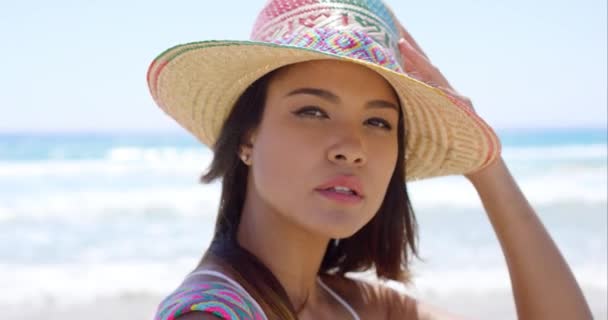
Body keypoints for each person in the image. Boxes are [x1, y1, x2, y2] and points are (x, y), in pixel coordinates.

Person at [148, 0, 592, 319]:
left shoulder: (358, 306)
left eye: (378, 123)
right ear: (247, 137)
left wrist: (486, 167)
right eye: (313, 111)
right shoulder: (213, 313)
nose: (351, 147)